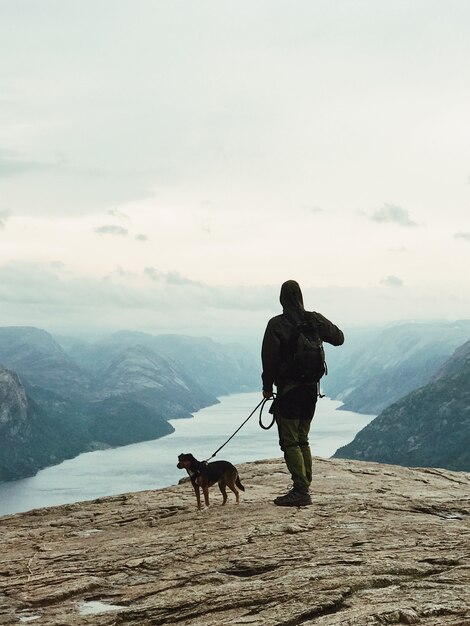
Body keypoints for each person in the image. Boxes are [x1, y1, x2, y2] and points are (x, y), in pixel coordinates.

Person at [261, 280, 344, 507]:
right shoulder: (314, 319)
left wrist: (267, 387)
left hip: (288, 391)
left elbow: (269, 360)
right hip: (311, 390)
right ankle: (304, 485)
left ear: (281, 299)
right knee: (302, 438)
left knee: (290, 441)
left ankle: (301, 490)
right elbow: (339, 338)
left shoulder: (277, 324)